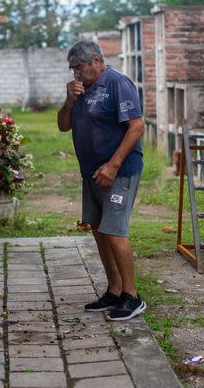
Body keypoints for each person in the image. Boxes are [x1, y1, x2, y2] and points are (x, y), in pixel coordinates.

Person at [57, 39, 146, 321]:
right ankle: (114, 290)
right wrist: (69, 100)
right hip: (92, 173)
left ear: (96, 60)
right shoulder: (79, 90)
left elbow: (137, 126)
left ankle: (132, 297)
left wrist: (113, 165)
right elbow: (63, 125)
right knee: (98, 229)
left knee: (114, 230)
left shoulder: (117, 83)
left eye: (79, 67)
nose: (75, 74)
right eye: (72, 69)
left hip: (118, 172)